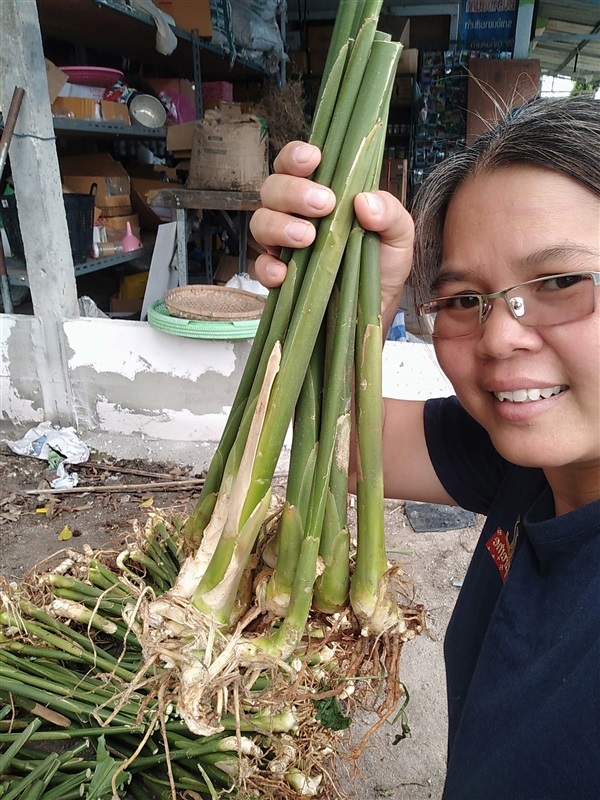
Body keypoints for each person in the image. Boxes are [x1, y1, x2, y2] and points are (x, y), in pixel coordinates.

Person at [249, 95, 600, 799]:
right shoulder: (528, 459)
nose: (499, 337)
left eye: (560, 283)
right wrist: (355, 296)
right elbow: (348, 450)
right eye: (465, 299)